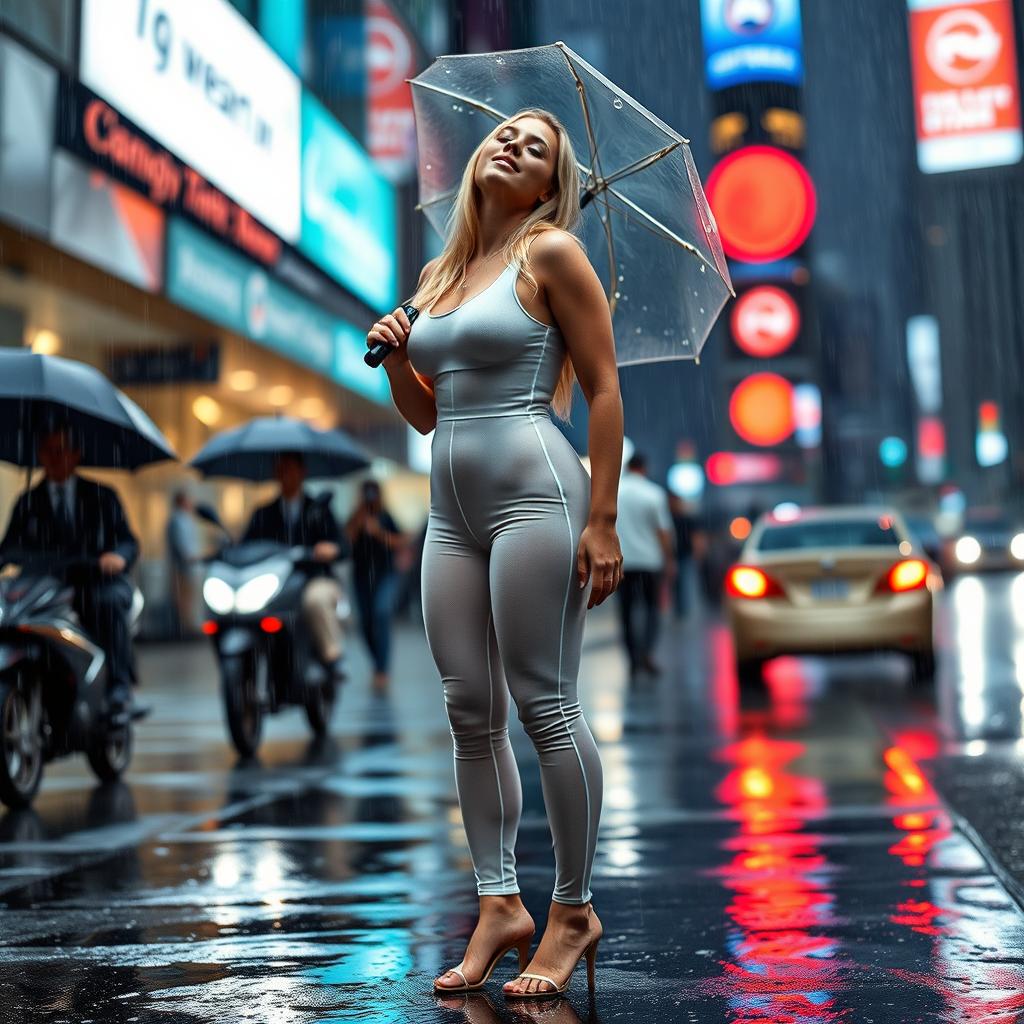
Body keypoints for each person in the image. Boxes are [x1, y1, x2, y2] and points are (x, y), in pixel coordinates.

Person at [367, 108, 624, 999]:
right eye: (506, 134)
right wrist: (399, 361)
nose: (512, 145)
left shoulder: (550, 254)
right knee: (466, 708)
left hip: (535, 493)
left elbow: (601, 388)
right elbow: (431, 415)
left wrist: (602, 518)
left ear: (551, 187)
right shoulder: (440, 273)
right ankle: (499, 902)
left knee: (543, 703)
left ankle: (574, 911)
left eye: (537, 149)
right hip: (450, 511)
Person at [0, 425, 139, 710]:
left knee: (107, 605)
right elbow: (7, 548)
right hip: (42, 586)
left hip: (94, 582)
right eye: (46, 451)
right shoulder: (27, 501)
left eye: (59, 450)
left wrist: (118, 558)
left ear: (76, 454)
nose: (52, 458)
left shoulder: (102, 496)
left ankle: (118, 686)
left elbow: (127, 540)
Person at [242, 452, 347, 681]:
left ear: (302, 472)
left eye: (289, 468)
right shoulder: (263, 513)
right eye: (280, 469)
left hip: (313, 579)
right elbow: (245, 546)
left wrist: (330, 549)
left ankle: (332, 656)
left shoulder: (318, 509)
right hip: (272, 584)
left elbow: (342, 547)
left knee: (315, 600)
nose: (284, 474)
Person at [616, 452, 675, 677]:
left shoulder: (616, 493)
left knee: (626, 612)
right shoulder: (654, 493)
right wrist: (669, 559)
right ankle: (647, 652)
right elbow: (663, 532)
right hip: (650, 562)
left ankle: (632, 658)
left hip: (623, 562)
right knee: (652, 609)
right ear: (644, 468)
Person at [345, 479, 405, 692]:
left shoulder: (386, 517)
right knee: (366, 623)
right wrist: (359, 523)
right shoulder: (355, 517)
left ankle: (382, 670)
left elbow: (400, 541)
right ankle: (377, 663)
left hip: (385, 574)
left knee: (381, 614)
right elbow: (345, 543)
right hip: (361, 577)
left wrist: (379, 532)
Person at [166, 488, 202, 638]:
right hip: (183, 567)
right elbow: (182, 546)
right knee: (183, 599)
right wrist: (190, 558)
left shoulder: (185, 519)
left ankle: (187, 627)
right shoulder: (177, 520)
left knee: (188, 598)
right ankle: (184, 629)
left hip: (189, 566)